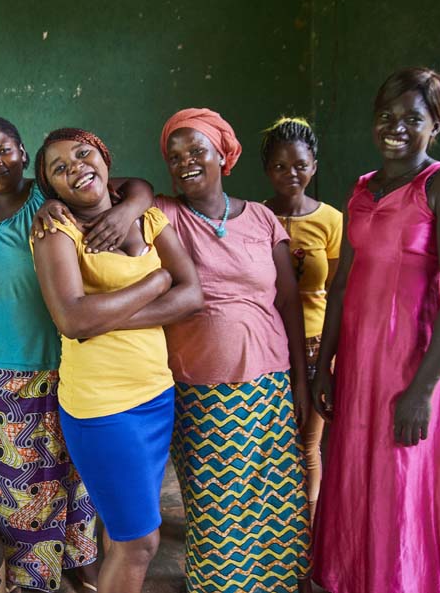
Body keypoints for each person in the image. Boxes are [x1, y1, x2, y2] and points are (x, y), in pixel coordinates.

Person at [0, 117, 154, 592]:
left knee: (73, 478)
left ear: (24, 153)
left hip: (57, 365)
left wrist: (132, 210)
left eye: (4, 150)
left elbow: (134, 185)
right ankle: (33, 580)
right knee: (18, 489)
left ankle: (80, 567)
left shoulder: (51, 206)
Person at [311, 68, 440, 593]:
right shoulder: (363, 188)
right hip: (360, 362)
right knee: (356, 469)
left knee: (401, 480)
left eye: (414, 117)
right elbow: (342, 286)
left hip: (412, 364)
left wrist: (423, 390)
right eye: (387, 116)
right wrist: (326, 365)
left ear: (436, 124)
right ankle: (356, 577)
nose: (397, 127)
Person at [31, 127, 204, 593]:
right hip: (103, 408)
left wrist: (104, 319)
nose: (76, 169)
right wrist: (154, 282)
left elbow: (192, 295)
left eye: (83, 154)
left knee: (122, 529)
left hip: (155, 395)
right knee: (141, 543)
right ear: (53, 190)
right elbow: (71, 317)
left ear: (105, 157)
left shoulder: (146, 218)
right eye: (59, 169)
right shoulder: (57, 231)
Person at [156, 108, 312, 593]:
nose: (186, 162)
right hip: (201, 388)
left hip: (270, 383)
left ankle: (280, 584)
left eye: (197, 150)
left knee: (275, 500)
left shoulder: (263, 218)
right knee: (216, 505)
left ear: (224, 155)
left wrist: (301, 382)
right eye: (174, 155)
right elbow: (114, 184)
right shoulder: (164, 213)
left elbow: (289, 303)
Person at [261, 117, 342, 516]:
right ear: (266, 171)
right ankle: (270, 531)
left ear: (314, 166)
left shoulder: (331, 221)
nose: (290, 174)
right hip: (268, 344)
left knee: (308, 445)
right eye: (279, 166)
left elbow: (340, 289)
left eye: (299, 165)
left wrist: (330, 354)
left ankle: (306, 532)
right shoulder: (255, 217)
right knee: (269, 447)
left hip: (314, 343)